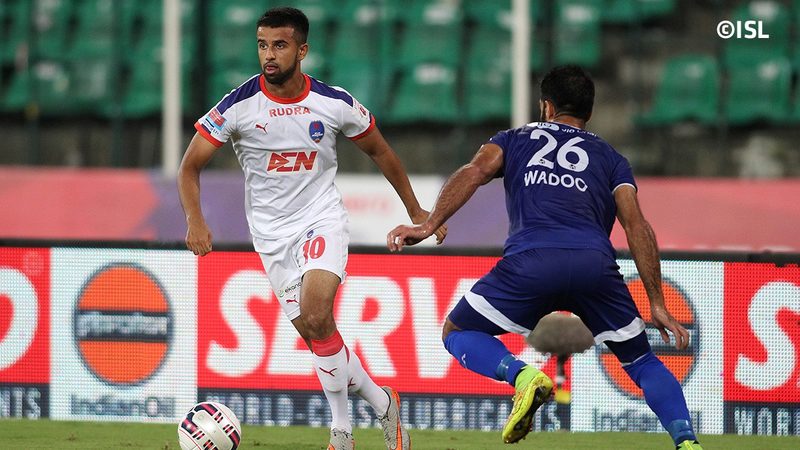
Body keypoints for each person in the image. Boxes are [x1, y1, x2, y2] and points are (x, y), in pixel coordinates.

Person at [387, 65, 703, 449]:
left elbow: (475, 172)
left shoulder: (513, 139)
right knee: (642, 361)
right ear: (589, 112)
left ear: (547, 107)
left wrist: (428, 224)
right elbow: (637, 225)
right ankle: (687, 442)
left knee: (457, 332)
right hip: (594, 267)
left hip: (532, 262)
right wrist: (657, 301)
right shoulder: (611, 158)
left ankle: (522, 377)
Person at [178, 7, 445, 450]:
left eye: (279, 45)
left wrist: (416, 209)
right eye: (262, 45)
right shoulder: (237, 106)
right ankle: (384, 403)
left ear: (302, 51)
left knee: (318, 314)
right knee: (318, 335)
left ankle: (341, 432)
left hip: (321, 220)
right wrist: (195, 220)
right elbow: (189, 167)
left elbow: (380, 151)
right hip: (271, 238)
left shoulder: (333, 102)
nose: (269, 54)